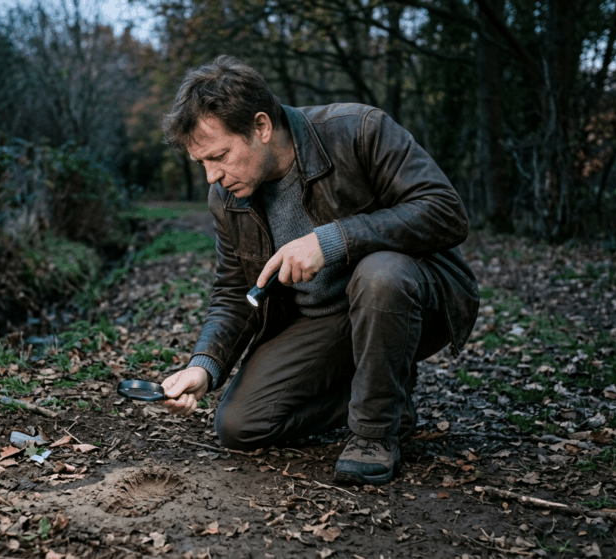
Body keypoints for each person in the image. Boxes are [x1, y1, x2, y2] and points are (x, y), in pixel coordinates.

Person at [158, 55, 479, 485]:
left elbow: (445, 212)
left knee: (380, 272)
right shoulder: (227, 197)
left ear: (261, 127)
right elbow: (237, 289)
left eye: (219, 156)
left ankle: (375, 432)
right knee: (238, 425)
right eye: (202, 164)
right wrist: (205, 365)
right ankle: (385, 391)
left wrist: (332, 241)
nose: (213, 177)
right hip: (325, 318)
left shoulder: (359, 130)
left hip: (412, 296)